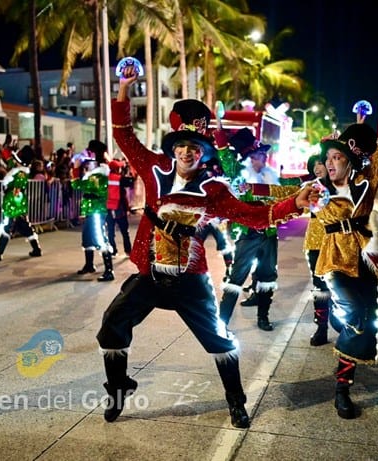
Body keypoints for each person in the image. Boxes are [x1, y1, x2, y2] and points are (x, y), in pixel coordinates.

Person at [96, 66, 314, 428]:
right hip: (151, 275)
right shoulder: (153, 169)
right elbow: (124, 136)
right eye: (181, 144)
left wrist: (295, 204)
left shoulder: (213, 190)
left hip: (190, 282)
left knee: (221, 341)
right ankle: (119, 389)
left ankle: (236, 401)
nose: (186, 152)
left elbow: (254, 216)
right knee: (111, 326)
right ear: (173, 146)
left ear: (202, 151)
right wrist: (123, 88)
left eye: (194, 147)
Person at [312, 78, 378, 419]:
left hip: (363, 259)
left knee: (368, 322)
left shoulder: (366, 182)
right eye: (328, 158)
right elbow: (280, 192)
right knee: (357, 318)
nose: (330, 163)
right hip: (334, 261)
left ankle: (344, 378)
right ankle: (340, 392)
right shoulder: (317, 188)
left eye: (337, 158)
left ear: (350, 161)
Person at [218, 128, 282, 331]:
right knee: (236, 278)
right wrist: (220, 136)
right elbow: (225, 157)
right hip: (248, 234)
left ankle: (263, 317)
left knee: (267, 277)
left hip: (269, 235)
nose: (260, 159)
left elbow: (287, 190)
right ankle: (222, 321)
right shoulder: (239, 174)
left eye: (262, 155)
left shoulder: (270, 176)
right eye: (255, 156)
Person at [72, 140, 115, 282]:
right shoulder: (97, 172)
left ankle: (109, 270)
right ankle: (89, 265)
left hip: (97, 210)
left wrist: (75, 170)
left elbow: (78, 185)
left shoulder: (99, 174)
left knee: (100, 238)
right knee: (87, 237)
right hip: (91, 209)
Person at [0, 153, 43, 261]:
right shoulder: (19, 170)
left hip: (13, 204)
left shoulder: (20, 173)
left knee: (7, 226)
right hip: (18, 203)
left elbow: (16, 188)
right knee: (24, 226)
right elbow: (9, 159)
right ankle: (36, 249)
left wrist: (12, 202)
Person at [302, 155, 332, 346]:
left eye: (320, 163)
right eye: (314, 165)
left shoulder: (340, 184)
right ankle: (321, 328)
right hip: (314, 241)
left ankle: (345, 325)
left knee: (339, 285)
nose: (317, 168)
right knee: (319, 287)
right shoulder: (310, 186)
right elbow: (284, 191)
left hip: (336, 241)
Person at [105, 159, 133, 257]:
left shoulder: (105, 178)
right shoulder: (120, 179)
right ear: (118, 169)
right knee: (124, 231)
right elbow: (131, 182)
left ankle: (113, 250)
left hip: (108, 207)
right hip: (119, 208)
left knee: (110, 231)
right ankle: (128, 250)